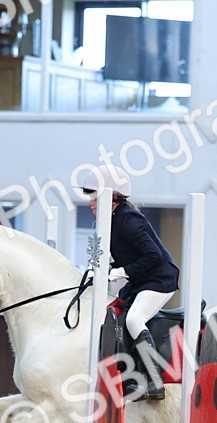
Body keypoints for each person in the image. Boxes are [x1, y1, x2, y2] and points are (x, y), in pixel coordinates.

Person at [78, 165, 179, 400]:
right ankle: (129, 376)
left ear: (112, 197)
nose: (89, 202)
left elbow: (153, 255)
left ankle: (155, 382)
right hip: (141, 281)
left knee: (134, 319)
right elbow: (128, 258)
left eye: (94, 196)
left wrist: (123, 270)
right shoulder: (113, 221)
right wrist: (107, 271)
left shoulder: (129, 220)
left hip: (159, 280)